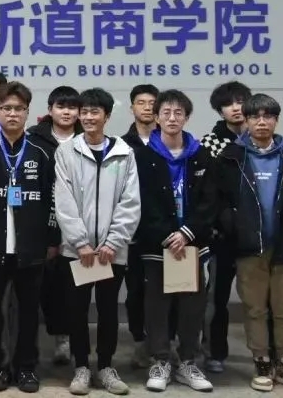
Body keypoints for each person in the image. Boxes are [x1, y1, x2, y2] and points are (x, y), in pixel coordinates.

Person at [198, 93, 283, 393]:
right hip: (248, 247)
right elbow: (217, 199)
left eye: (268, 116)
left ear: (276, 120)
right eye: (255, 117)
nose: (261, 122)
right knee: (255, 309)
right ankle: (262, 361)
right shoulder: (231, 157)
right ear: (247, 120)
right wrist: (232, 227)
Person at [0, 82, 58, 393]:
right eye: (6, 108)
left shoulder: (42, 153)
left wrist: (51, 239)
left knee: (28, 312)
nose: (12, 114)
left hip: (30, 247)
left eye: (19, 109)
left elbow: (53, 200)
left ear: (27, 113)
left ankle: (26, 368)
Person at [53, 88, 139, 396]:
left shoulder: (124, 152)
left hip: (111, 252)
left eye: (95, 112)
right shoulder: (66, 152)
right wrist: (80, 242)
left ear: (107, 116)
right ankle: (81, 367)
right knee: (76, 310)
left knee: (108, 310)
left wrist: (113, 242)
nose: (88, 117)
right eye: (84, 112)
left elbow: (130, 202)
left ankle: (105, 366)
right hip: (77, 251)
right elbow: (63, 201)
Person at [132, 90, 213, 393]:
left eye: (178, 113)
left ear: (187, 118)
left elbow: (210, 201)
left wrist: (188, 232)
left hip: (192, 244)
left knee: (192, 305)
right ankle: (161, 361)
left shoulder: (201, 155)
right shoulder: (143, 156)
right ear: (156, 117)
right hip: (157, 245)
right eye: (165, 112)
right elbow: (139, 200)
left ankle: (188, 362)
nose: (172, 118)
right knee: (157, 305)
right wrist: (166, 234)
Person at [198, 81, 252, 373]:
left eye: (241, 101)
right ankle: (213, 352)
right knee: (215, 298)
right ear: (220, 111)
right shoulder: (210, 143)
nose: (236, 108)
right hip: (221, 236)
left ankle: (265, 353)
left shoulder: (260, 140)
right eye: (229, 104)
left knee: (258, 298)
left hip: (255, 234)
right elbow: (206, 192)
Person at [27, 86, 81, 366]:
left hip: (79, 225)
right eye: (61, 106)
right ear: (50, 110)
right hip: (41, 222)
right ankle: (29, 343)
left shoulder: (87, 138)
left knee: (70, 287)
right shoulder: (34, 139)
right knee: (40, 286)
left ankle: (65, 338)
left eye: (72, 107)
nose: (66, 112)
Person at [120, 84, 160, 369]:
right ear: (132, 107)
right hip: (131, 231)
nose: (147, 107)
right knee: (135, 290)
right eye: (141, 102)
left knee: (165, 290)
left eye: (152, 102)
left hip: (164, 231)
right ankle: (139, 342)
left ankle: (164, 344)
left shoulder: (170, 141)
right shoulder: (121, 145)